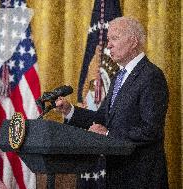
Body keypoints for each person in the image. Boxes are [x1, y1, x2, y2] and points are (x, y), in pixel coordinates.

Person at [55, 17, 169, 189]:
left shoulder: (151, 76)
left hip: (142, 178)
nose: (108, 45)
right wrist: (70, 111)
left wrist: (108, 135)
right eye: (108, 40)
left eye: (114, 38)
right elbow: (101, 118)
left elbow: (151, 130)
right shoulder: (118, 77)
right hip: (116, 175)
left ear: (133, 41)